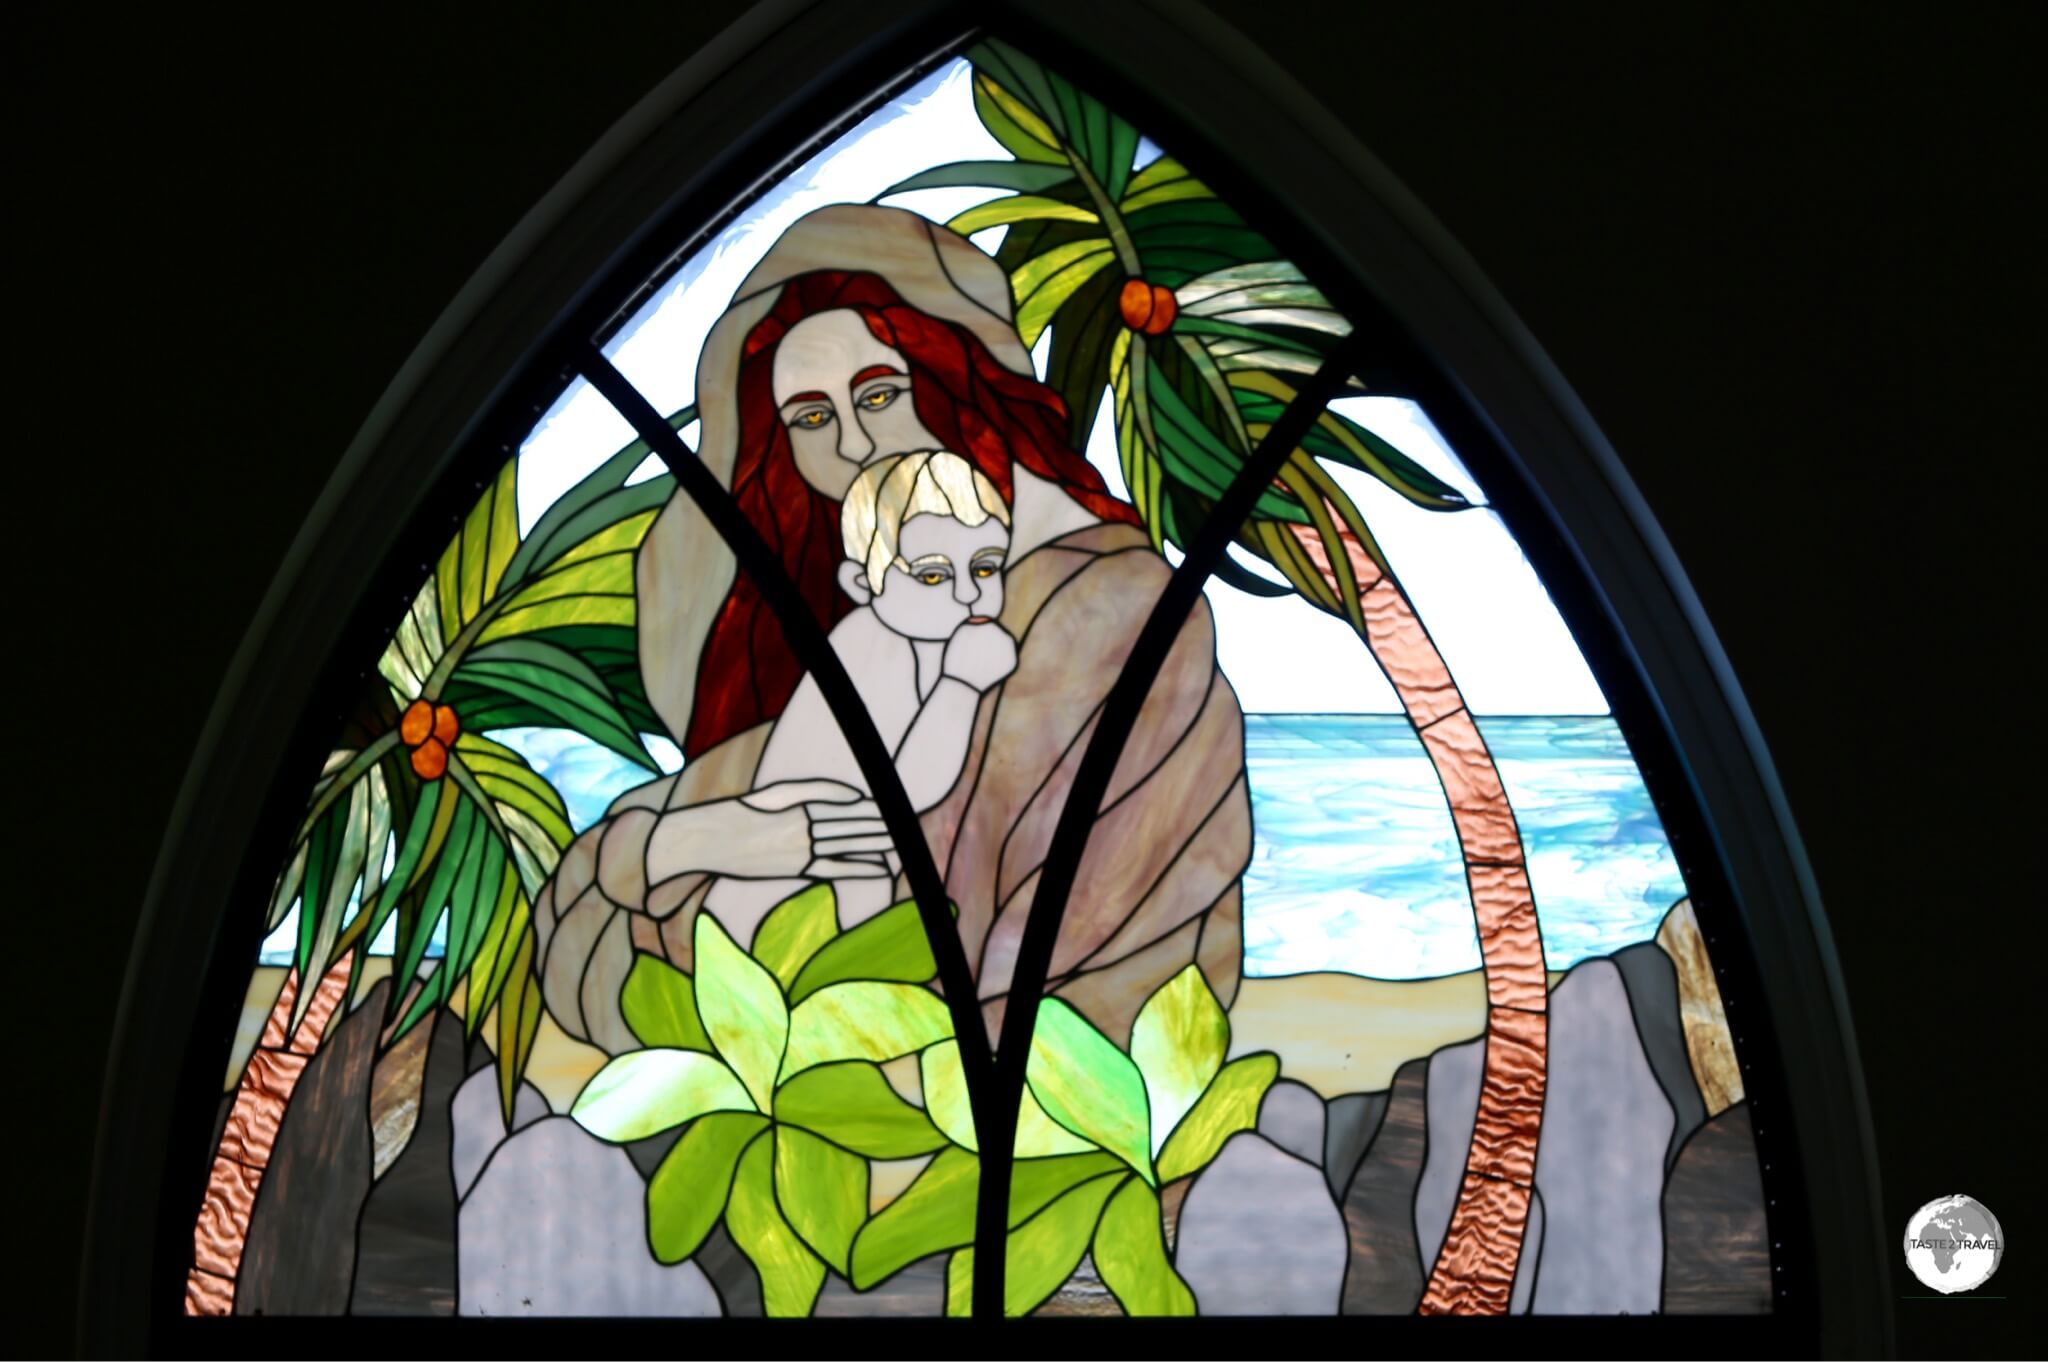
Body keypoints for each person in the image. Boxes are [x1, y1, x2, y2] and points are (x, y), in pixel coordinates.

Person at [533, 203, 1250, 1057]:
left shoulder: (1119, 613)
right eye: (810, 418)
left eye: (878, 393)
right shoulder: (883, 624)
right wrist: (715, 838)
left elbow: (1061, 945)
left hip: (1011, 1079)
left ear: (951, 376)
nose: (856, 443)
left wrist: (691, 850)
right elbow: (596, 901)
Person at [702, 449, 1021, 940]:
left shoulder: (935, 639)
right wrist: (962, 685)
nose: (968, 593)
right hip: (777, 903)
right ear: (861, 583)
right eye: (932, 575)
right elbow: (904, 791)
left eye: (985, 567)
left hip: (850, 882)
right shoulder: (867, 646)